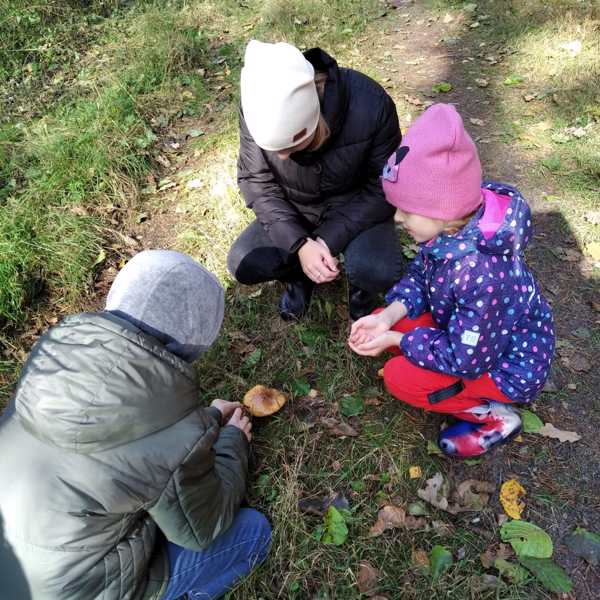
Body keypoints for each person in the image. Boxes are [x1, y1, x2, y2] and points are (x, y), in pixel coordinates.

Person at [0, 250, 271, 600]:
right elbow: (201, 527)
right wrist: (233, 443)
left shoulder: (51, 364)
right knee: (253, 533)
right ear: (195, 339)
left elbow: (126, 438)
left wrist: (210, 418)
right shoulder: (176, 431)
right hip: (84, 592)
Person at [348, 104, 555, 458]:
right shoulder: (449, 232)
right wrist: (387, 318)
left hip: (505, 367)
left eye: (406, 211)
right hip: (472, 336)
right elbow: (421, 275)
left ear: (442, 210)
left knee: (401, 378)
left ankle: (495, 414)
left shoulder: (483, 273)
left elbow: (467, 360)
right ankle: (407, 339)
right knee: (395, 315)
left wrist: (398, 338)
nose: (397, 218)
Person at [228, 40, 404, 321]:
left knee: (376, 267)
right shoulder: (255, 105)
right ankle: (300, 276)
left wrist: (327, 239)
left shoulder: (370, 103)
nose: (282, 158)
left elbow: (385, 184)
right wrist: (299, 244)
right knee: (243, 261)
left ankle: (362, 292)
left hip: (356, 204)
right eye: (275, 149)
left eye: (291, 146)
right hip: (296, 207)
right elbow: (256, 181)